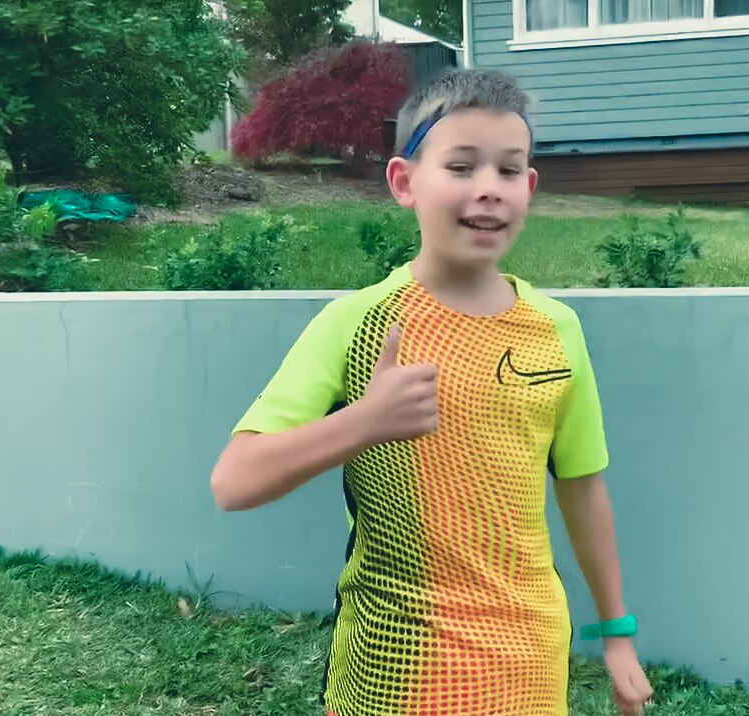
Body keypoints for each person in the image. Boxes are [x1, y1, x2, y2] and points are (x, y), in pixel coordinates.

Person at [209, 68, 653, 716]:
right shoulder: (355, 324)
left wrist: (617, 637)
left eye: (508, 171)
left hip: (526, 670)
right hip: (391, 676)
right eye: (462, 165)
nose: (488, 190)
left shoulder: (559, 331)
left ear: (529, 188)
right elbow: (233, 482)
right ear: (404, 182)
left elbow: (583, 489)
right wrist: (363, 421)